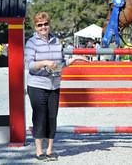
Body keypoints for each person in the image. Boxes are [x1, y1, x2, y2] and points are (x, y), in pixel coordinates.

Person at [24, 12, 90, 162]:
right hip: (37, 85)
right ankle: (39, 151)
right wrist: (45, 62)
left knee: (52, 118)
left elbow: (60, 65)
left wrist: (75, 58)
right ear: (35, 27)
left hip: (54, 86)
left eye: (45, 24)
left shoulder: (56, 41)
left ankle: (49, 151)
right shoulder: (31, 42)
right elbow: (29, 65)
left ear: (49, 24)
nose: (43, 27)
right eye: (39, 25)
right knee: (40, 117)